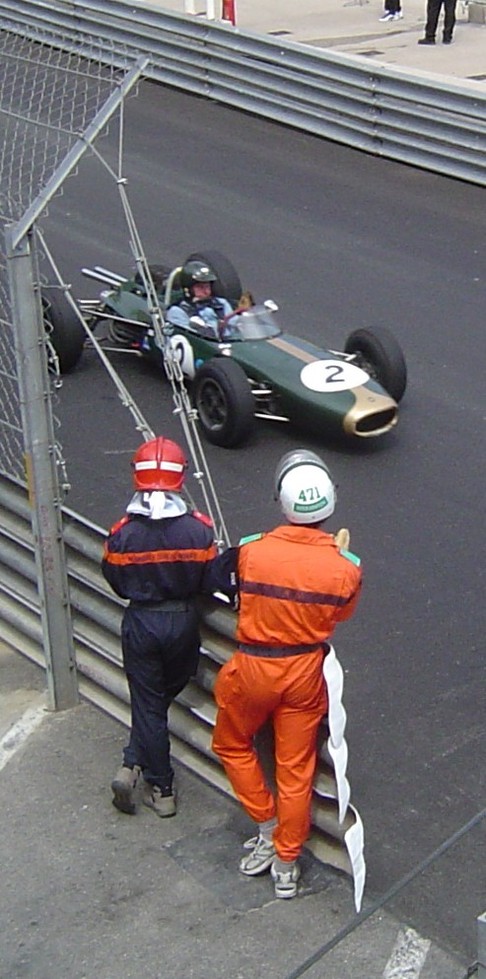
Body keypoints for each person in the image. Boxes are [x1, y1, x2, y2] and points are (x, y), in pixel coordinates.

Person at [210, 449, 362, 899]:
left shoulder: (251, 549)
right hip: (304, 672)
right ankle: (286, 863)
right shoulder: (346, 567)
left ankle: (265, 822)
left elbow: (220, 579)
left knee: (231, 743)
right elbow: (342, 615)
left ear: (281, 500)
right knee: (295, 770)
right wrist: (339, 555)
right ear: (330, 502)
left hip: (254, 666)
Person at [101, 436, 218, 818]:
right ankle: (145, 768)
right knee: (166, 691)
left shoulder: (122, 535)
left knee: (149, 703)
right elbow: (208, 579)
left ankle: (154, 781)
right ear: (180, 478)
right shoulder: (199, 532)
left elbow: (116, 582)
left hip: (141, 622)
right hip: (183, 622)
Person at [166, 259, 235, 339]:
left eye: (207, 286)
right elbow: (186, 339)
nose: (206, 292)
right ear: (188, 289)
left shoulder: (222, 304)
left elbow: (236, 329)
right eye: (200, 287)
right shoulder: (177, 312)